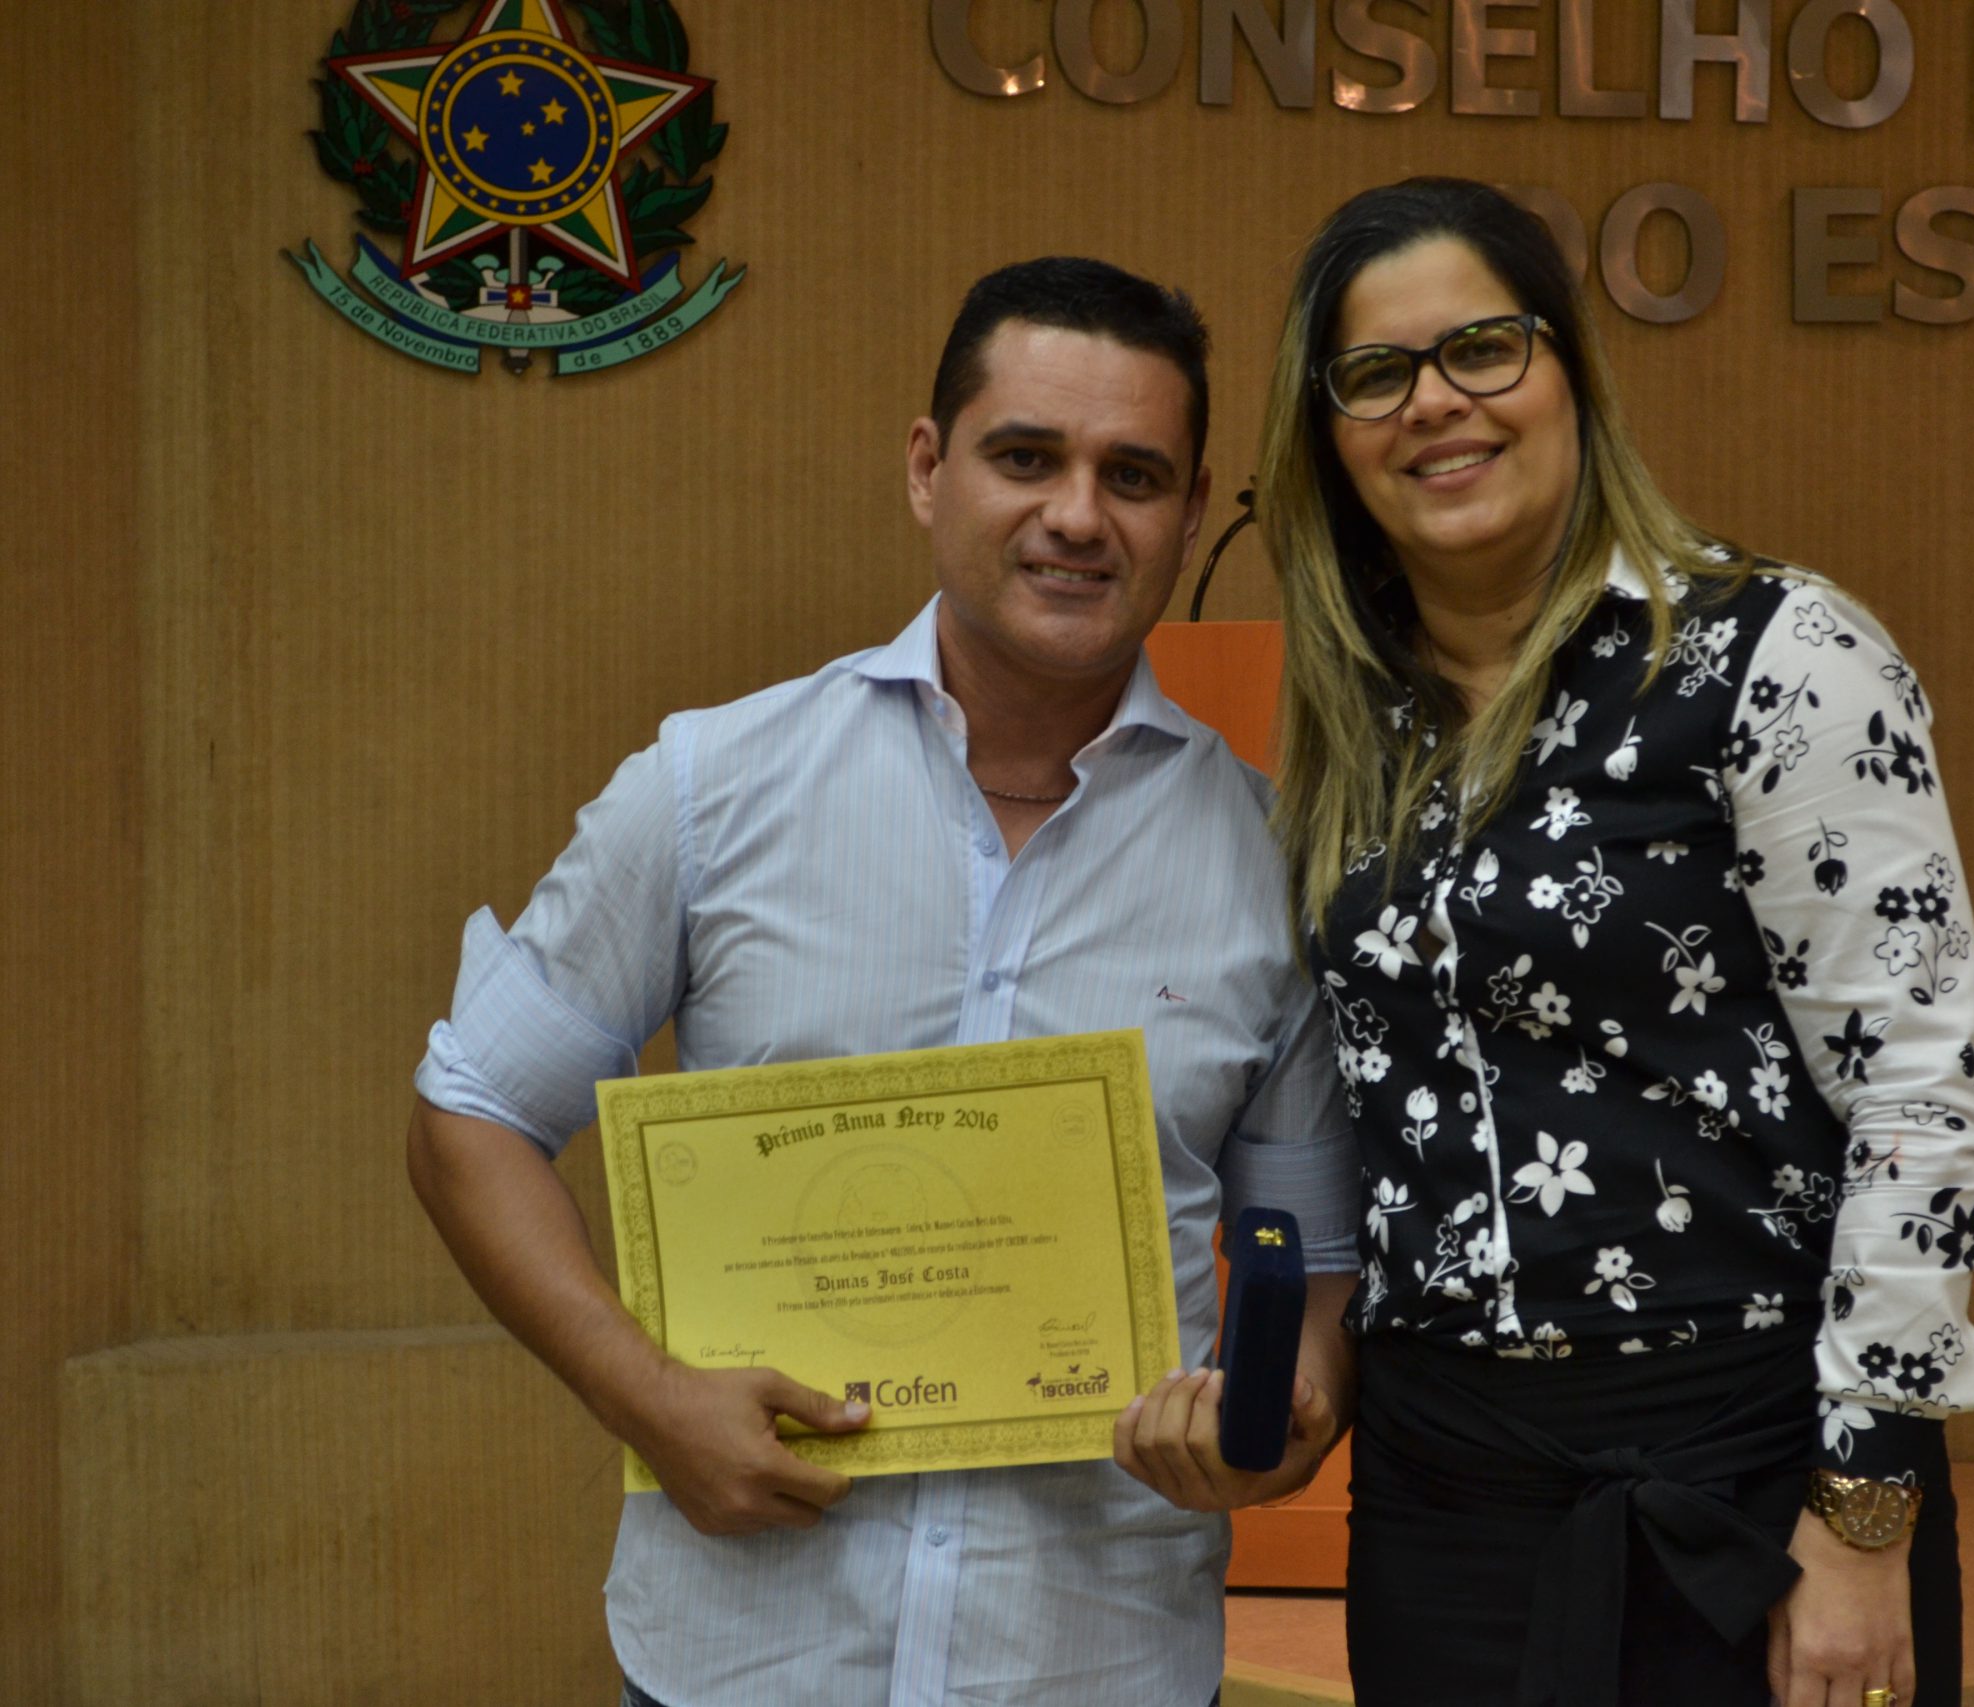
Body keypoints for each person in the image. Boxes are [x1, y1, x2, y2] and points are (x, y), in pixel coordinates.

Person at [406, 256, 1359, 1707]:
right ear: (928, 469)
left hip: (1095, 1662)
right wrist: (649, 1401)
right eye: (1025, 456)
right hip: (740, 1663)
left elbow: (1312, 1255)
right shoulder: (712, 789)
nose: (1077, 515)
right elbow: (470, 1113)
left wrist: (1285, 1418)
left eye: (1134, 475)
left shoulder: (1275, 865)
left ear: (1187, 516)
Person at [1253, 177, 1974, 1707]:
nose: (1435, 403)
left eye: (1483, 348)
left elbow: (1922, 1100)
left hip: (1751, 1478)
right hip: (1442, 1501)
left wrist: (1863, 1514)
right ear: (1326, 436)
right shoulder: (1353, 720)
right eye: (1376, 374)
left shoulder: (1779, 654)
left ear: (1570, 373)